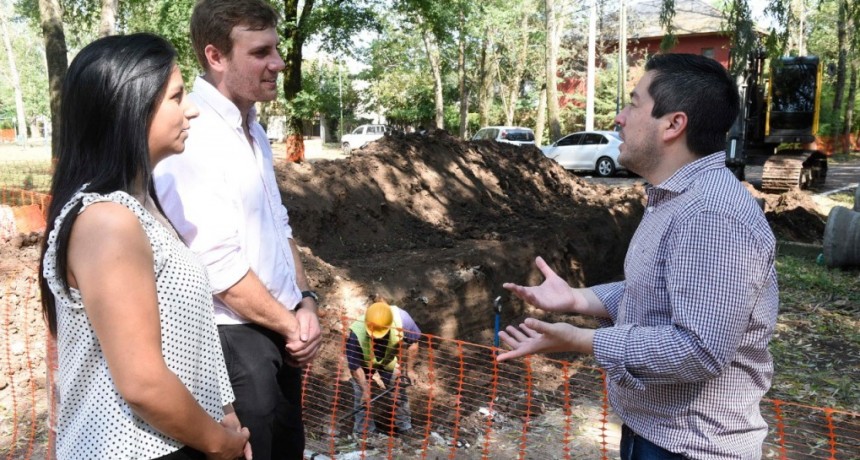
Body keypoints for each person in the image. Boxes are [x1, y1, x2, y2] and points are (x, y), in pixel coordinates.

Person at [497, 53, 778, 460]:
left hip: (691, 446)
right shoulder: (674, 198)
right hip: (656, 433)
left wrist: (582, 340)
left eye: (633, 103)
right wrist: (577, 299)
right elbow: (654, 291)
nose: (619, 118)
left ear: (673, 124)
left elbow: (699, 350)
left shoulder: (710, 214)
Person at [38, 33, 250, 459]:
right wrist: (219, 444)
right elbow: (142, 382)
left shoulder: (139, 205)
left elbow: (190, 337)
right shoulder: (107, 222)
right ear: (130, 109)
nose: (191, 109)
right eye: (176, 97)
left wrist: (223, 413)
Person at [153, 0, 322, 458]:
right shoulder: (193, 137)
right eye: (261, 52)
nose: (278, 63)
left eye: (276, 49)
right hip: (233, 341)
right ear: (216, 56)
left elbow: (279, 224)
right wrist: (293, 324)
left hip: (278, 330)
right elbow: (218, 265)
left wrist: (306, 300)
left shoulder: (254, 130)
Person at [346, 301, 420, 436]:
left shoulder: (402, 318)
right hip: (364, 363)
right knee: (362, 397)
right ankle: (365, 432)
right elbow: (355, 366)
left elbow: (413, 343)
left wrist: (410, 370)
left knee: (398, 391)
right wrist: (365, 390)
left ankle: (404, 427)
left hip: (387, 359)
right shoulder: (356, 334)